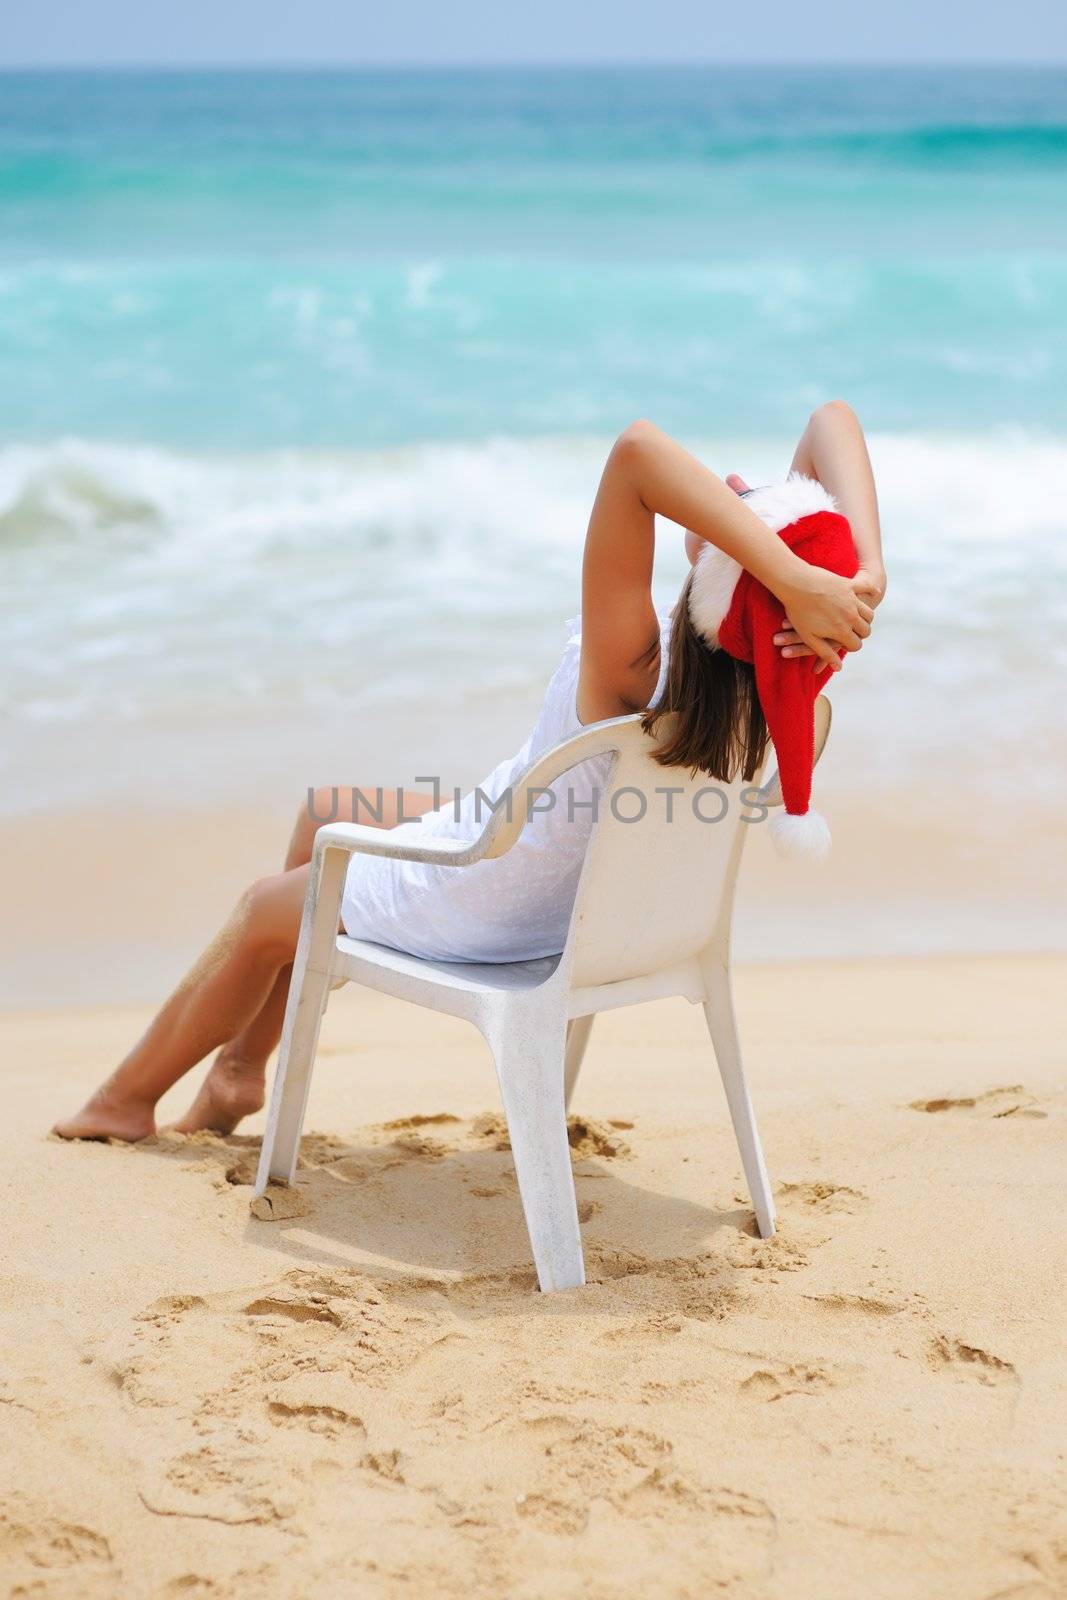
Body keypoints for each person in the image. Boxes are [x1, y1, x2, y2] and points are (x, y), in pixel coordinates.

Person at [54, 401, 885, 1144]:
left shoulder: (629, 662)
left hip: (506, 896)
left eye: (743, 506)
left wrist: (787, 573)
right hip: (589, 886)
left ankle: (124, 1101)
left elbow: (636, 453)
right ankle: (240, 1065)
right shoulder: (769, 692)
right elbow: (831, 420)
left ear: (724, 581)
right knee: (329, 812)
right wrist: (853, 578)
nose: (730, 486)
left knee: (273, 906)